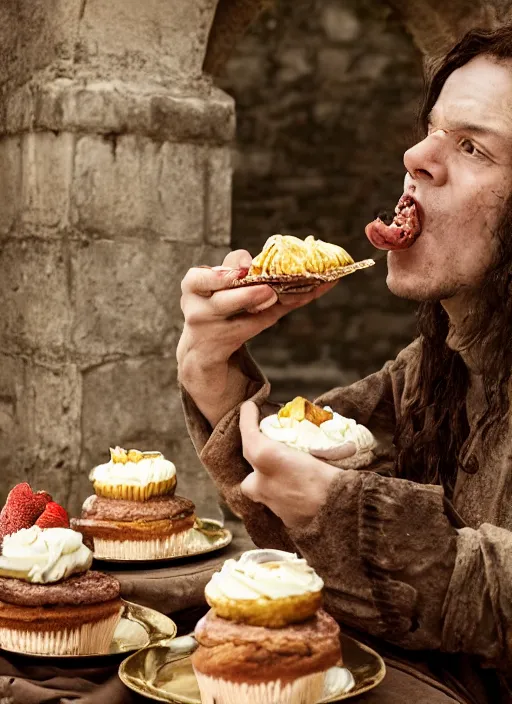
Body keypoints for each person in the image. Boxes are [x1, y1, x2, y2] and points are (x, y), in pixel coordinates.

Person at [177, 26, 512, 704]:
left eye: (472, 146)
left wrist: (349, 510)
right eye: (431, 131)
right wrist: (214, 374)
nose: (416, 156)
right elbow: (302, 475)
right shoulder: (432, 365)